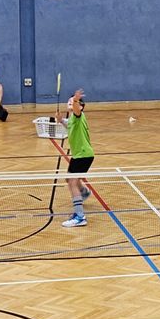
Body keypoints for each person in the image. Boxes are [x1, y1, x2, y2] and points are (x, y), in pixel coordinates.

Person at [56, 89, 94, 227]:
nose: (70, 102)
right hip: (79, 155)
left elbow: (77, 111)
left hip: (84, 155)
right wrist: (61, 121)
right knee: (69, 178)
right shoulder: (73, 118)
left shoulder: (79, 114)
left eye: (73, 101)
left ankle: (80, 216)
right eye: (70, 100)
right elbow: (69, 124)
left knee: (72, 182)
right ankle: (83, 193)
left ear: (80, 106)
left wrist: (76, 100)